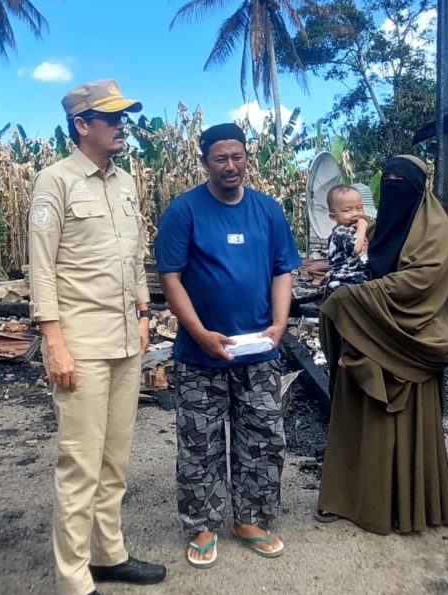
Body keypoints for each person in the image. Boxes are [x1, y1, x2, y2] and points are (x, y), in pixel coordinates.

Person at [29, 79, 165, 595]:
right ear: (82, 125)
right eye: (111, 118)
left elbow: (133, 257)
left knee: (116, 457)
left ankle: (109, 554)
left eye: (124, 116)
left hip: (126, 338)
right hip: (80, 342)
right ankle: (72, 578)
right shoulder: (55, 181)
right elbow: (41, 267)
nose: (122, 125)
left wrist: (143, 312)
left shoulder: (126, 183)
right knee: (80, 462)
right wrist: (54, 342)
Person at [154, 122, 301, 568]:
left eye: (237, 156)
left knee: (261, 437)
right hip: (201, 355)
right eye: (220, 158)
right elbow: (170, 279)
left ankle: (250, 520)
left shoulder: (268, 211)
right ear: (204, 162)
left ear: (245, 157)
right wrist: (199, 333)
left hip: (258, 352)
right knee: (200, 444)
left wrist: (279, 324)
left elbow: (282, 270)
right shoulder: (184, 212)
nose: (230, 166)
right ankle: (202, 524)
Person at [314, 155, 448, 534]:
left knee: (404, 424)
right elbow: (358, 262)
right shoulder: (376, 230)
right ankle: (354, 499)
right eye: (388, 179)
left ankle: (407, 506)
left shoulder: (434, 230)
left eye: (402, 180)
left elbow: (421, 282)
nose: (394, 185)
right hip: (368, 332)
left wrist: (356, 299)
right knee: (362, 421)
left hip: (411, 336)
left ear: (420, 186)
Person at [323, 184, 369, 292]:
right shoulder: (340, 231)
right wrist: (362, 227)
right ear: (333, 216)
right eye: (347, 210)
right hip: (343, 282)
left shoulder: (352, 230)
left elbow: (361, 258)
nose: (355, 214)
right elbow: (355, 250)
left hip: (355, 280)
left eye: (359, 208)